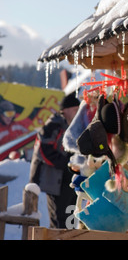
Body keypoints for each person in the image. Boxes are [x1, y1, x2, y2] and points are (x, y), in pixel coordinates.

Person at [29, 92, 80, 229]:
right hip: (54, 179)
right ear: (65, 110)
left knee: (70, 216)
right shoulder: (53, 124)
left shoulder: (73, 125)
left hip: (70, 178)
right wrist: (66, 163)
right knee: (58, 219)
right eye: (75, 110)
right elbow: (44, 151)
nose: (77, 113)